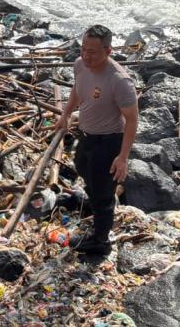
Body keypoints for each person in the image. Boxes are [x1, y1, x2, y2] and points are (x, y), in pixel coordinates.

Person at [53, 25, 138, 256]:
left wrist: (123, 157)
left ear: (108, 51)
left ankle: (101, 241)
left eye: (93, 52)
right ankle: (95, 205)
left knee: (103, 191)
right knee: (82, 167)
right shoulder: (80, 65)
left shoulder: (119, 80)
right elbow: (77, 90)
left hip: (110, 141)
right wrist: (66, 114)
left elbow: (132, 119)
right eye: (83, 49)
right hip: (87, 135)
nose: (86, 56)